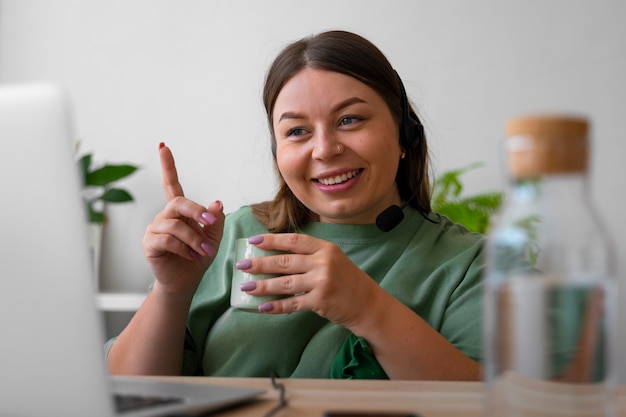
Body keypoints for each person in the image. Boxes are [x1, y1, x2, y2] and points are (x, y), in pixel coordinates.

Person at [105, 30, 484, 380]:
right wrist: (170, 292)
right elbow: (127, 394)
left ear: (404, 135)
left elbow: (499, 404)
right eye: (297, 131)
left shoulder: (468, 265)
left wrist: (369, 308)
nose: (324, 149)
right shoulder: (225, 239)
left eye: (350, 119)